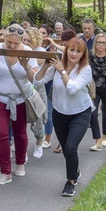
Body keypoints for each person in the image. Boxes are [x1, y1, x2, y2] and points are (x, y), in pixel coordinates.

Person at [0, 23, 38, 185]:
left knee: (20, 133)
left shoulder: (28, 52)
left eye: (15, 44)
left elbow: (35, 80)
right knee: (0, 133)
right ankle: (5, 171)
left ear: (21, 42)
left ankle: (20, 163)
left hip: (21, 99)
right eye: (8, 43)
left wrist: (26, 67)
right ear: (4, 38)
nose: (11, 46)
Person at [34, 37, 92, 197]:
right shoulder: (57, 65)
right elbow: (37, 82)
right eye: (71, 50)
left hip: (80, 112)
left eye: (78, 51)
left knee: (71, 147)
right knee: (67, 149)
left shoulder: (85, 69)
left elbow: (72, 88)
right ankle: (76, 171)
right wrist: (45, 66)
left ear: (82, 54)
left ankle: (70, 181)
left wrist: (62, 70)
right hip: (60, 113)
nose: (74, 54)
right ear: (66, 50)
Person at [22, 27, 47, 158]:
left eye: (29, 40)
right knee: (21, 120)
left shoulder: (40, 52)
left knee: (38, 119)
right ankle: (22, 148)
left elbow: (35, 70)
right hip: (23, 88)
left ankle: (39, 143)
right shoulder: (21, 49)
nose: (26, 43)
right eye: (24, 40)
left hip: (37, 88)